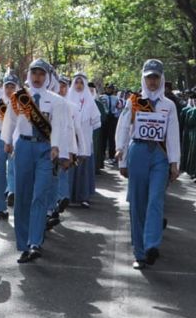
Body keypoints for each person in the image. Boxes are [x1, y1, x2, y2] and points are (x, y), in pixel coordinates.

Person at [0, 59, 72, 264]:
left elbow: (59, 126)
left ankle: (35, 242)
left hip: (45, 150)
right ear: (29, 75)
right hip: (23, 147)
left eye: (41, 74)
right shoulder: (19, 97)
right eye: (34, 73)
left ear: (47, 77)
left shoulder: (56, 101)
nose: (37, 78)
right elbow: (10, 120)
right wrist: (7, 141)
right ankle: (24, 244)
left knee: (39, 195)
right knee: (22, 196)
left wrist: (56, 146)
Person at [114, 59, 181, 270]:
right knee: (138, 203)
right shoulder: (133, 101)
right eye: (149, 77)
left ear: (161, 79)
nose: (152, 81)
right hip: (138, 152)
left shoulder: (169, 105)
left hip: (159, 155)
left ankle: (152, 244)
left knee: (155, 199)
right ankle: (140, 252)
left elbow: (173, 135)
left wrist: (174, 162)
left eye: (156, 77)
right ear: (144, 79)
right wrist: (121, 155)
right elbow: (123, 128)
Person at [65, 72, 101, 207]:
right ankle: (66, 196)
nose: (79, 85)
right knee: (69, 165)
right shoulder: (67, 98)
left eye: (81, 83)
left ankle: (83, 197)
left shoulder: (90, 101)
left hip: (85, 137)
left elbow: (96, 120)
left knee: (83, 166)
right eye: (77, 82)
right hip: (70, 137)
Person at [0, 74, 17, 219]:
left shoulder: (22, 105)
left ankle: (12, 192)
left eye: (13, 86)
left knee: (14, 168)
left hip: (14, 139)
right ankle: (1, 208)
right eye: (7, 86)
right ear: (3, 87)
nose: (10, 89)